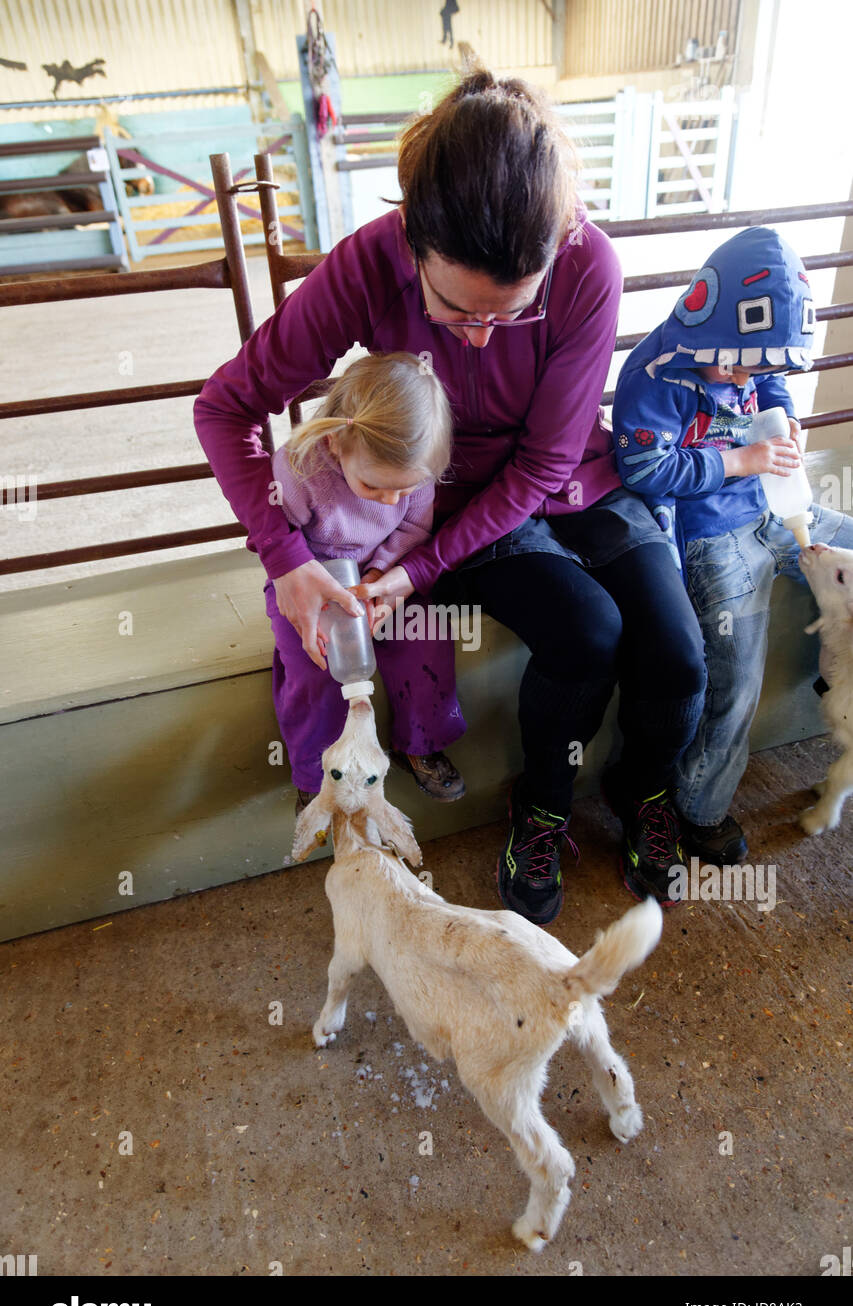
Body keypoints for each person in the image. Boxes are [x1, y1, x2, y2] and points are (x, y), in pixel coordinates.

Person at [194, 70, 707, 923]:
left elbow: (546, 464)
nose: (477, 334)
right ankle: (540, 806)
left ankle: (641, 786)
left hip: (570, 476)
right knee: (587, 633)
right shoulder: (369, 260)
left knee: (678, 652)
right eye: (454, 310)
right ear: (412, 242)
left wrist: (418, 573)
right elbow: (226, 405)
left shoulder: (589, 266)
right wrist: (286, 556)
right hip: (453, 505)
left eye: (510, 313)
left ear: (555, 254)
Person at [611, 226, 853, 867]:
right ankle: (699, 808)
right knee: (736, 681)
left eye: (760, 364)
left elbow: (769, 385)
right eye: (739, 363)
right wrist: (741, 460)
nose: (745, 375)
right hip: (711, 538)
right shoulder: (654, 373)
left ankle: (839, 675)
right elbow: (645, 471)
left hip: (779, 508)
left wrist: (785, 416)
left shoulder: (754, 363)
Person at [265, 350, 465, 809]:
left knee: (428, 637)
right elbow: (278, 541)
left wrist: (381, 575)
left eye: (406, 489)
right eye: (375, 487)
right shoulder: (298, 471)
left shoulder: (413, 471)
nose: (392, 498)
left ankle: (421, 742)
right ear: (336, 442)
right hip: (309, 577)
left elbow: (414, 529)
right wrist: (314, 600)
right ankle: (316, 774)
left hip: (381, 574)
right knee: (312, 667)